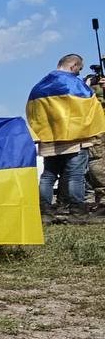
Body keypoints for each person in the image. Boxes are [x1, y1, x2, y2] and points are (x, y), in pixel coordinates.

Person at [29, 54, 102, 223]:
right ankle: (78, 212)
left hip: (49, 140)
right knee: (75, 176)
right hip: (74, 139)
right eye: (79, 69)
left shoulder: (38, 87)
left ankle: (45, 213)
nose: (78, 73)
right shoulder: (75, 84)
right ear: (73, 66)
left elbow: (33, 113)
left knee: (48, 176)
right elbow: (90, 107)